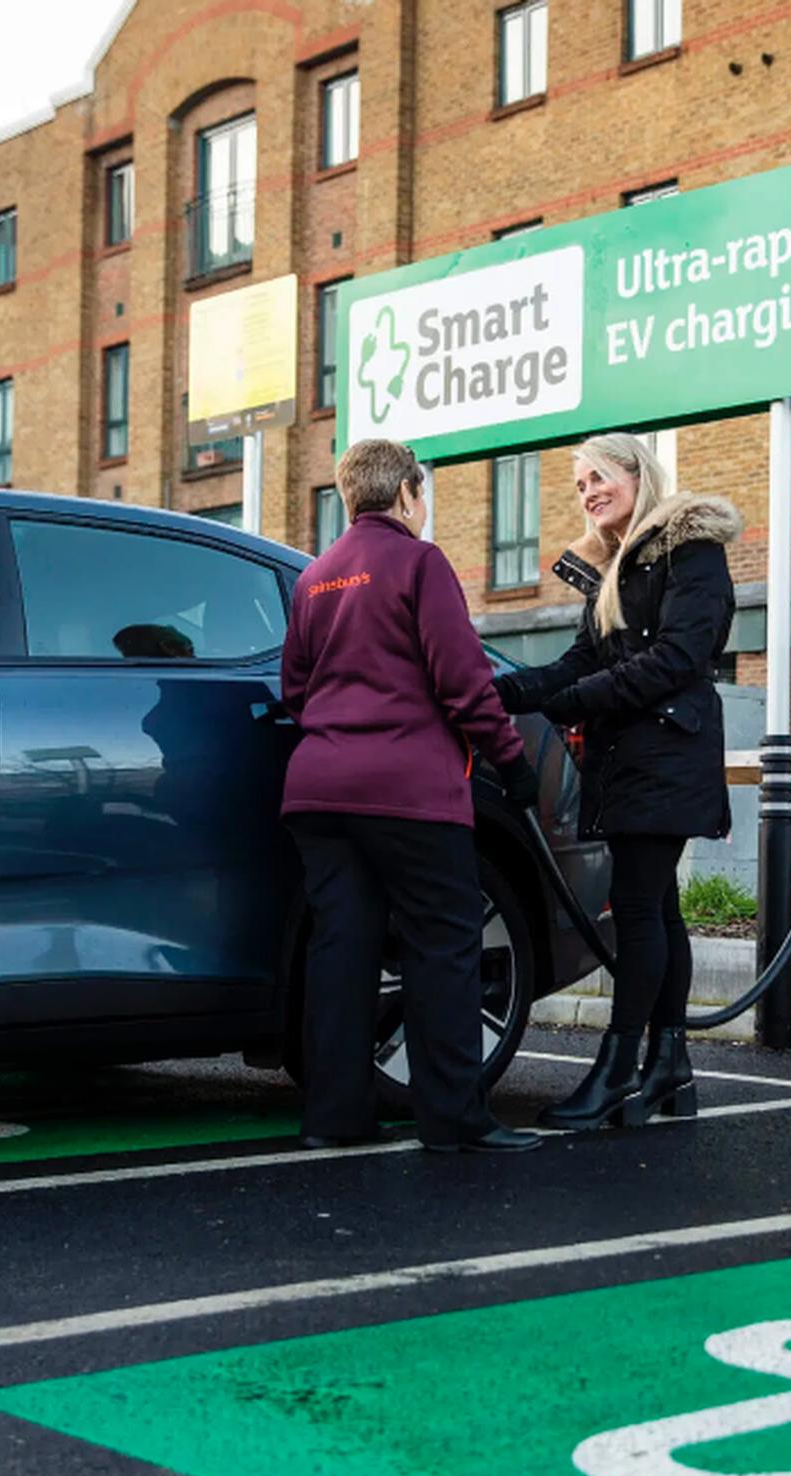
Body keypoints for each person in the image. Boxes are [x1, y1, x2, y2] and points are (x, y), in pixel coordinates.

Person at [281, 438, 544, 1154]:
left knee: (341, 949)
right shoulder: (419, 563)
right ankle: (454, 1118)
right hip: (407, 791)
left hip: (319, 791)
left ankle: (335, 1118)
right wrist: (511, 761)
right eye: (420, 496)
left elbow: (296, 691)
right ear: (404, 495)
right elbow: (463, 681)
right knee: (444, 944)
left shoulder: (316, 577)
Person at [495, 433, 737, 1130]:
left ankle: (617, 1071)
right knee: (657, 911)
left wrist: (568, 703)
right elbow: (576, 661)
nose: (588, 492)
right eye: (579, 485)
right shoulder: (612, 570)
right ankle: (668, 1065)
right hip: (631, 759)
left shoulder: (691, 550)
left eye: (598, 477)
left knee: (636, 911)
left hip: (665, 756)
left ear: (638, 473)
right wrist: (497, 690)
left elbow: (677, 657)